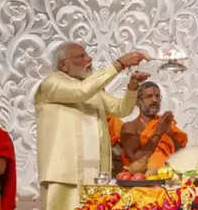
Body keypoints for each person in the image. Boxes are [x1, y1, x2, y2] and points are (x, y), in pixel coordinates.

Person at [35, 42, 149, 210]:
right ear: (63, 65)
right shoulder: (51, 83)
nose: (90, 58)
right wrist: (119, 64)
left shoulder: (90, 87)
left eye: (87, 54)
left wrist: (132, 87)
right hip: (64, 175)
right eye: (81, 56)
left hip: (96, 176)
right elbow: (81, 92)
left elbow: (121, 109)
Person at [120, 81, 187, 172]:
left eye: (157, 96)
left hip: (168, 175)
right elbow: (136, 159)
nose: (154, 100)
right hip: (141, 179)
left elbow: (181, 154)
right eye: (149, 96)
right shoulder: (130, 127)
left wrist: (169, 133)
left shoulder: (165, 123)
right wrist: (158, 133)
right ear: (138, 102)